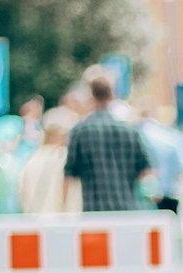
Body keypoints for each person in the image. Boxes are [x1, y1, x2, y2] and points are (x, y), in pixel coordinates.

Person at [65, 76, 153, 212]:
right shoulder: (130, 131)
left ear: (91, 96)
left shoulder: (79, 131)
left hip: (94, 213)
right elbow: (146, 174)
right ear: (112, 95)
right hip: (127, 211)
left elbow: (69, 177)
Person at [19, 109, 80, 213]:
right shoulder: (64, 157)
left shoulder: (31, 159)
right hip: (64, 225)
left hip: (34, 224)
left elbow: (22, 193)